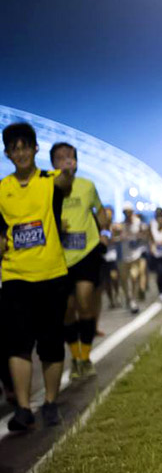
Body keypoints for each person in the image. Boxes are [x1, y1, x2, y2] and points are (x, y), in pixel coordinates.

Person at [0, 122, 75, 430]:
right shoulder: (2, 188)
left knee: (51, 343)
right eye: (14, 149)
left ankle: (50, 403)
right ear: (7, 153)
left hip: (51, 273)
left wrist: (68, 168)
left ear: (35, 149)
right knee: (17, 344)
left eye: (25, 147)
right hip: (15, 275)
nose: (20, 153)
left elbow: (66, 184)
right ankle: (22, 408)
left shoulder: (50, 179)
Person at [50, 142, 107, 378]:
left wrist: (104, 232)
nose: (66, 161)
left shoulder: (87, 186)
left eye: (70, 156)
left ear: (76, 161)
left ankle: (85, 358)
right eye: (60, 157)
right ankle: (74, 357)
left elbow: (100, 211)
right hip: (59, 256)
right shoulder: (47, 185)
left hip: (87, 253)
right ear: (53, 162)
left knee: (85, 302)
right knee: (67, 311)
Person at [117, 203, 146, 313]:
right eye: (125, 212)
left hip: (135, 255)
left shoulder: (138, 223)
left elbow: (145, 236)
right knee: (124, 280)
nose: (127, 214)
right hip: (123, 256)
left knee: (134, 277)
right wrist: (120, 236)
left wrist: (139, 236)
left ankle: (133, 298)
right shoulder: (120, 225)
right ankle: (128, 298)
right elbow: (114, 238)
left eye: (129, 212)